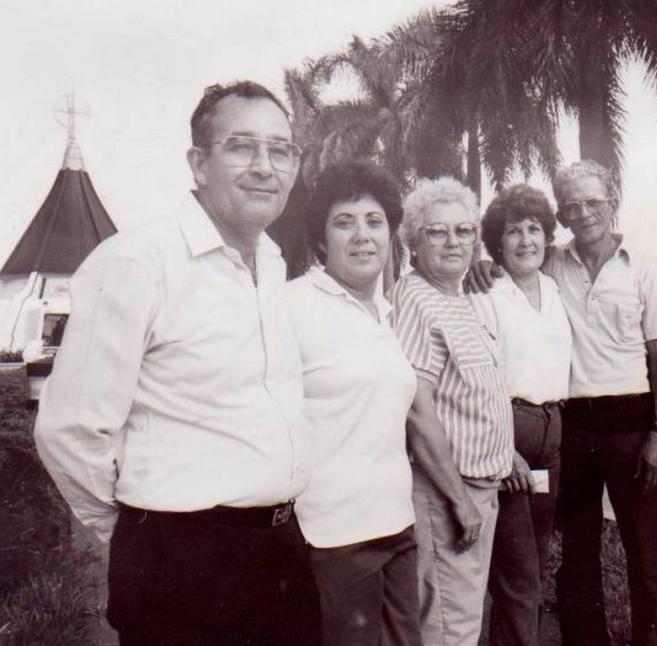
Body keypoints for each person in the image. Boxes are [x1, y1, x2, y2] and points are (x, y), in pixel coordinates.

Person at [34, 81, 321, 645]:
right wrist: (138, 531)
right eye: (241, 146)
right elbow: (70, 431)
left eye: (280, 149)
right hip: (180, 566)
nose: (265, 166)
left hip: (281, 551)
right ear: (199, 163)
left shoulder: (270, 260)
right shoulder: (138, 262)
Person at [471, 160, 657, 645]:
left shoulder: (645, 269)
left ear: (612, 202)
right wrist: (480, 264)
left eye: (594, 202)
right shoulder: (552, 263)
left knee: (646, 554)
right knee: (577, 554)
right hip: (574, 427)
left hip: (633, 423)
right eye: (573, 206)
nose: (584, 213)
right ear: (562, 215)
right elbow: (509, 261)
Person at [287, 161, 420, 645]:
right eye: (345, 222)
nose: (362, 236)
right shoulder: (293, 306)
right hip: (332, 536)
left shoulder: (386, 312)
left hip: (397, 523)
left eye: (374, 221)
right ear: (321, 240)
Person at [392, 176, 515, 645]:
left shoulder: (457, 297)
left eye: (463, 231)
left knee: (461, 620)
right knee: (447, 627)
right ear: (413, 243)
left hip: (477, 488)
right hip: (446, 493)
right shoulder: (418, 300)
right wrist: (459, 501)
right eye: (436, 232)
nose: (453, 242)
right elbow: (417, 411)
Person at [469, 184, 572, 646]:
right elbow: (477, 375)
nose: (526, 240)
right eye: (514, 231)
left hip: (550, 439)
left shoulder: (551, 288)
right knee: (518, 574)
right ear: (497, 241)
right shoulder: (486, 290)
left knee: (535, 560)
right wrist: (502, 447)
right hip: (509, 438)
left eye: (534, 229)